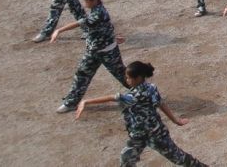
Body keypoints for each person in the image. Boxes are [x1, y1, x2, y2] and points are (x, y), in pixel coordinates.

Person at [75, 60, 206, 167]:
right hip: (141, 134)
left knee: (178, 158)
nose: (126, 80)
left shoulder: (134, 96)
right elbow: (161, 104)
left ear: (138, 78)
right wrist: (175, 120)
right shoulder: (151, 88)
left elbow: (113, 97)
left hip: (154, 135)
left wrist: (86, 101)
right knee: (126, 159)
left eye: (128, 77)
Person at [52, 0, 128, 114]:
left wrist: (59, 30)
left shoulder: (98, 13)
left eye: (87, 0)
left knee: (122, 75)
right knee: (81, 75)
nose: (85, 2)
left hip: (108, 52)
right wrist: (112, 36)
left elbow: (82, 22)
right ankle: (71, 102)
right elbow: (106, 27)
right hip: (93, 51)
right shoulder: (95, 10)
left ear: (95, 0)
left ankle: (141, 94)